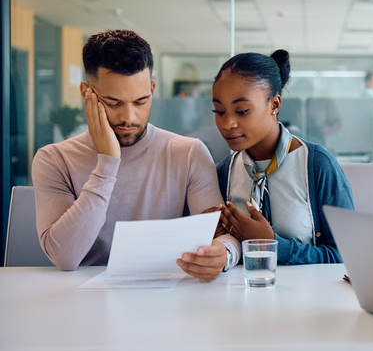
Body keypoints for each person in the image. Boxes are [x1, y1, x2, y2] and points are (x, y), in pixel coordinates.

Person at [32, 30, 238, 281]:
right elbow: (65, 258)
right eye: (113, 103)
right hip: (80, 301)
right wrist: (108, 161)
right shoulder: (54, 160)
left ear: (152, 89)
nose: (129, 117)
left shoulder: (190, 153)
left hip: (168, 296)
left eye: (141, 101)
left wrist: (226, 253)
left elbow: (219, 235)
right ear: (87, 93)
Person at [213, 50, 354, 265]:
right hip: (242, 295)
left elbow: (349, 256)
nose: (227, 124)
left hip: (311, 296)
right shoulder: (225, 172)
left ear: (275, 105)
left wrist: (270, 243)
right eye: (219, 111)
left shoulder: (317, 165)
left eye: (241, 111)